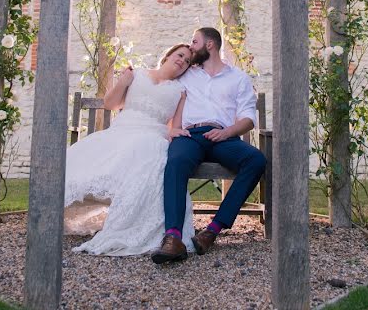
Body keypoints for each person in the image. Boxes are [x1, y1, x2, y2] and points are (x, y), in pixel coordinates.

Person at [62, 44, 195, 256]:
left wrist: (175, 132)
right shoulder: (137, 74)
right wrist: (123, 82)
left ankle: (132, 224)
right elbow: (110, 104)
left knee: (142, 151)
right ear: (168, 55)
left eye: (187, 61)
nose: (182, 61)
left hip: (153, 135)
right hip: (122, 130)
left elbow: (175, 126)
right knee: (88, 154)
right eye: (180, 55)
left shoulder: (179, 91)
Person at [151, 27, 267, 264]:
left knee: (256, 160)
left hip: (223, 137)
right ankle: (173, 238)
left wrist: (227, 132)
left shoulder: (238, 78)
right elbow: (161, 80)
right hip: (190, 135)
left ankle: (212, 230)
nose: (190, 47)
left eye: (195, 42)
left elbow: (248, 118)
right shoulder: (188, 73)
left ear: (210, 45)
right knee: (175, 161)